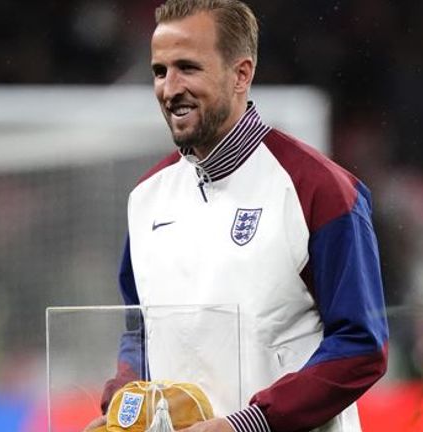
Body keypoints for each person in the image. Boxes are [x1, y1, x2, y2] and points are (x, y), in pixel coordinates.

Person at [85, 1, 389, 431]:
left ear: (241, 74)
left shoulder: (318, 190)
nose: (170, 89)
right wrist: (122, 406)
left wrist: (249, 424)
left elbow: (361, 346)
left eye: (188, 68)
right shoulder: (145, 199)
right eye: (160, 71)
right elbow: (139, 331)